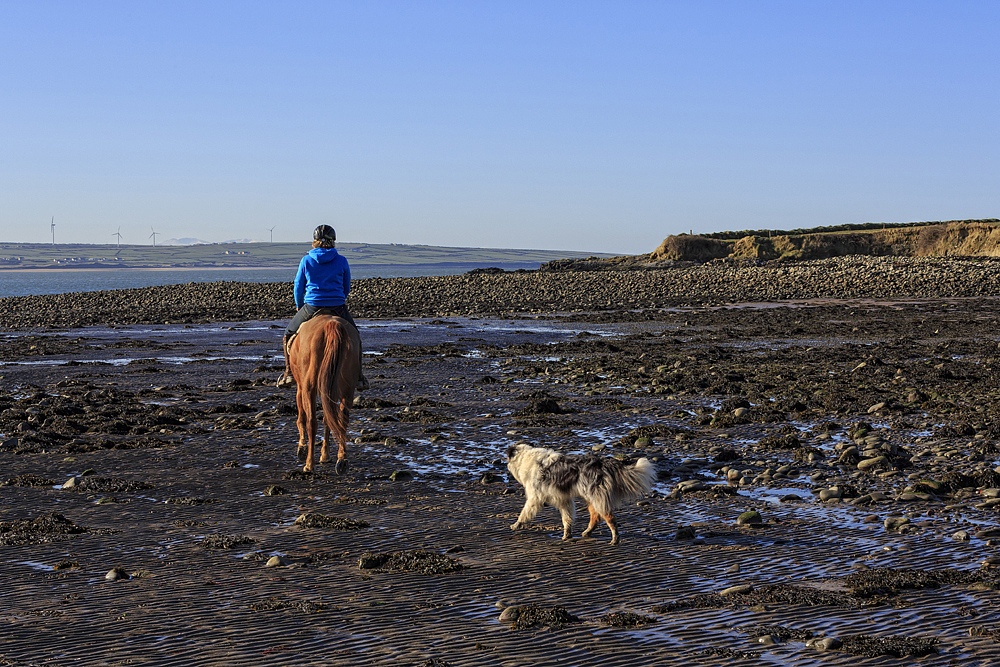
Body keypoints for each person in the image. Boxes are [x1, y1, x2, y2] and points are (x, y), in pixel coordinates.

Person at [277, 224, 368, 390]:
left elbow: (298, 287)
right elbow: (346, 286)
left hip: (312, 306)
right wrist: (339, 298)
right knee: (356, 337)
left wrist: (300, 306)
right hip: (337, 306)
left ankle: (289, 373)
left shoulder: (306, 260)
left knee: (288, 334)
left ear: (315, 241)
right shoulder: (342, 260)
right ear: (333, 242)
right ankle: (360, 377)